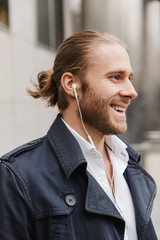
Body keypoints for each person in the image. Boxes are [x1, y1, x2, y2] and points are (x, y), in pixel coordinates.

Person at [0, 30, 158, 240]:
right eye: (115, 77)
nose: (131, 91)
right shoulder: (17, 177)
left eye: (129, 78)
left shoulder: (129, 164)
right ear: (71, 84)